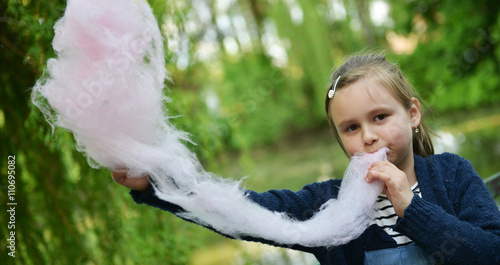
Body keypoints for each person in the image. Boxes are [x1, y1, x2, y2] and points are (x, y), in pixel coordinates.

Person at [111, 53, 500, 264]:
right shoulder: (326, 205)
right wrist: (155, 184)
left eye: (380, 117)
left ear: (412, 114)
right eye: (350, 128)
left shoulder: (452, 175)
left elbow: (489, 253)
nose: (368, 136)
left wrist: (412, 209)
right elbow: (243, 214)